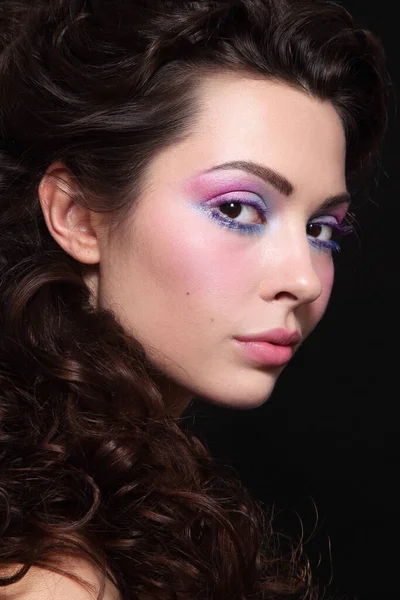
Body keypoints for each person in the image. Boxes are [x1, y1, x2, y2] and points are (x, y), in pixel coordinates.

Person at [0, 0, 388, 598]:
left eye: (321, 229)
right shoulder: (54, 578)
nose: (304, 279)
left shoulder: (110, 498)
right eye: (237, 209)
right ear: (76, 215)